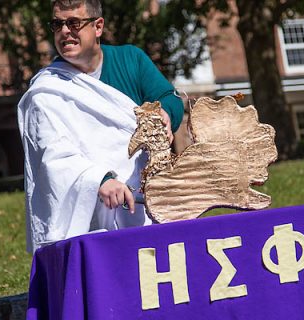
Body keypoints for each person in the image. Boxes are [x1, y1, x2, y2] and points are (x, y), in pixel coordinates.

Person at [18, 0, 185, 253]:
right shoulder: (46, 92)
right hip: (91, 209)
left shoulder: (131, 59)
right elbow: (52, 154)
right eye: (57, 24)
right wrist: (100, 179)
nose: (65, 31)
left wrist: (164, 112)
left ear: (97, 26)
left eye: (74, 23)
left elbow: (168, 97)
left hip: (143, 197)